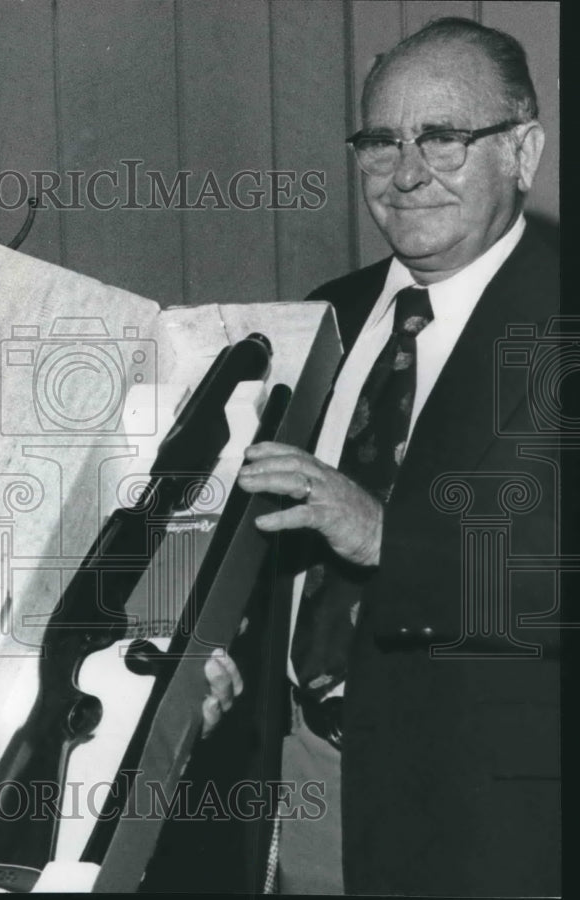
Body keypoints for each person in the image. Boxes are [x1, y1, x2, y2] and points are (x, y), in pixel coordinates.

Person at [200, 17, 559, 896]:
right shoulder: (326, 314)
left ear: (524, 150)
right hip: (302, 792)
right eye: (380, 142)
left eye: (443, 138)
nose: (405, 175)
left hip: (497, 823)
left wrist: (389, 537)